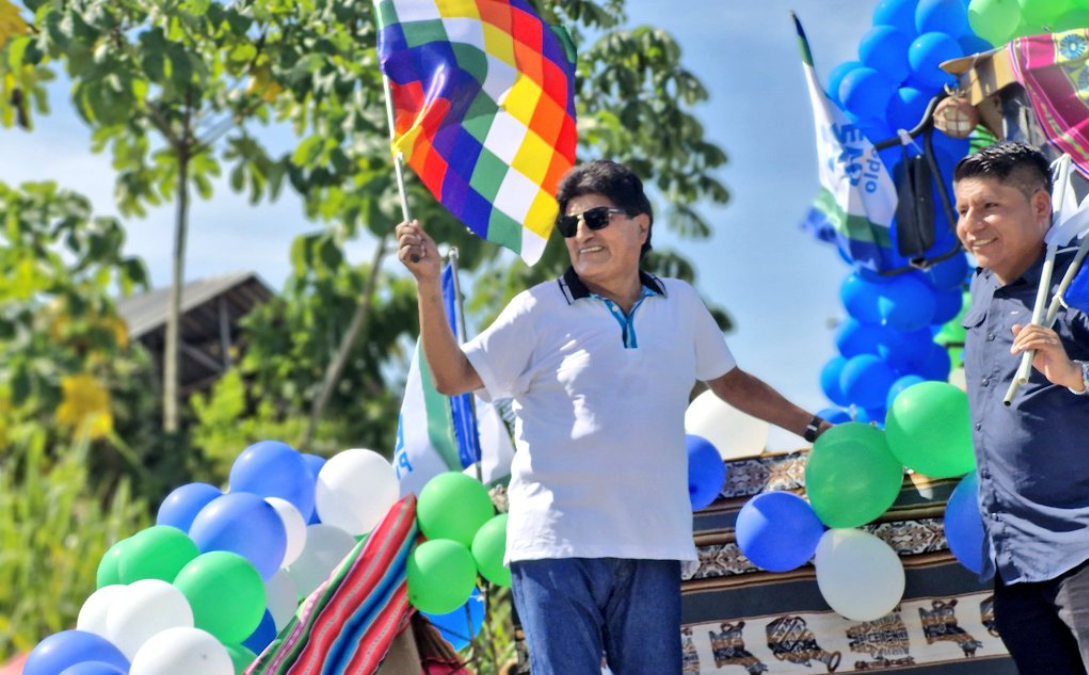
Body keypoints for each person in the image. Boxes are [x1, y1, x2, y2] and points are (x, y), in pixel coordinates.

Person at [396, 160, 831, 675]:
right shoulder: (536, 309)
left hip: (651, 543)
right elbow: (452, 377)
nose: (582, 233)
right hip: (556, 546)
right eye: (570, 225)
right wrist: (428, 287)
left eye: (597, 218)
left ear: (641, 226)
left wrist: (816, 429)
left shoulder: (682, 303)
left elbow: (731, 383)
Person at [953, 141, 1089, 674]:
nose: (972, 224)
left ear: (1040, 208)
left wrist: (1076, 374)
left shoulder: (1077, 280)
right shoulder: (982, 286)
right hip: (1016, 566)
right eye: (963, 210)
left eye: (989, 206)